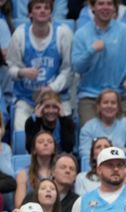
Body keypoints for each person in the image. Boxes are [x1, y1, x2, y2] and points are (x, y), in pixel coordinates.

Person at [71, 0, 126, 124]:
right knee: (92, 141)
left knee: (124, 140)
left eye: (109, 4)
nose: (105, 7)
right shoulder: (81, 34)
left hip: (119, 96)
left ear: (115, 8)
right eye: (101, 4)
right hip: (90, 97)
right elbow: (77, 67)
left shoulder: (125, 31)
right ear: (92, 7)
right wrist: (91, 50)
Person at [6, 0, 74, 131]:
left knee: (67, 133)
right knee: (20, 132)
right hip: (27, 98)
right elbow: (11, 68)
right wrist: (22, 72)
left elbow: (68, 70)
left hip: (57, 98)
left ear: (51, 13)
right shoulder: (20, 34)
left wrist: (52, 88)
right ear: (30, 14)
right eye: (38, 7)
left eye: (46, 8)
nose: (42, 10)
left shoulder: (63, 33)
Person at [78, 89, 126, 159]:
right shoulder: (88, 127)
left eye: (113, 103)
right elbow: (84, 152)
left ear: (118, 107)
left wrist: (111, 152)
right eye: (105, 102)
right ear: (98, 106)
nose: (109, 106)